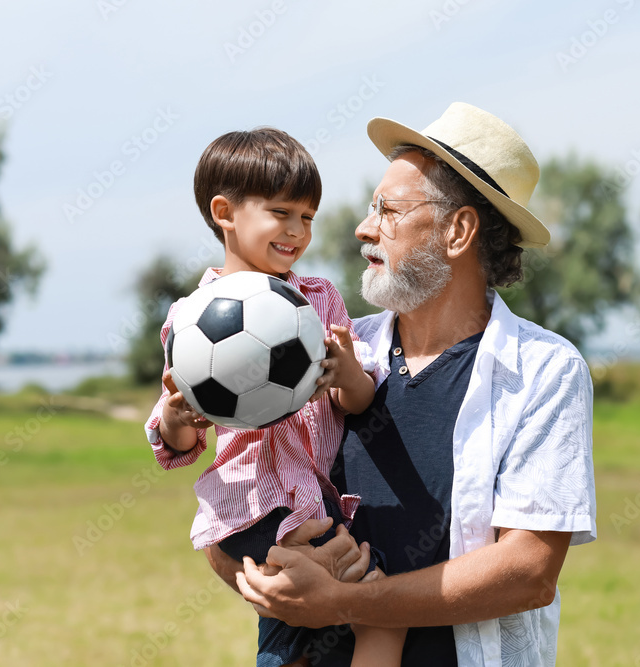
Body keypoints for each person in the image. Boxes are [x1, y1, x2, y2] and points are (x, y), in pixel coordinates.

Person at [231, 103, 598, 666]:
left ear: (458, 230)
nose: (363, 227)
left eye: (388, 209)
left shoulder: (546, 370)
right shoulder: (330, 348)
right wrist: (260, 575)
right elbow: (244, 495)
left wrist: (345, 603)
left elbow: (527, 573)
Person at [143, 127, 406, 667]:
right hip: (253, 508)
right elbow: (179, 443)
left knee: (339, 614)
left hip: (318, 496)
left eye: (307, 217)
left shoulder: (318, 299)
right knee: (353, 596)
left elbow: (355, 402)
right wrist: (175, 416)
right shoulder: (191, 319)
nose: (296, 231)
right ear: (225, 212)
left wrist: (349, 374)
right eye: (281, 212)